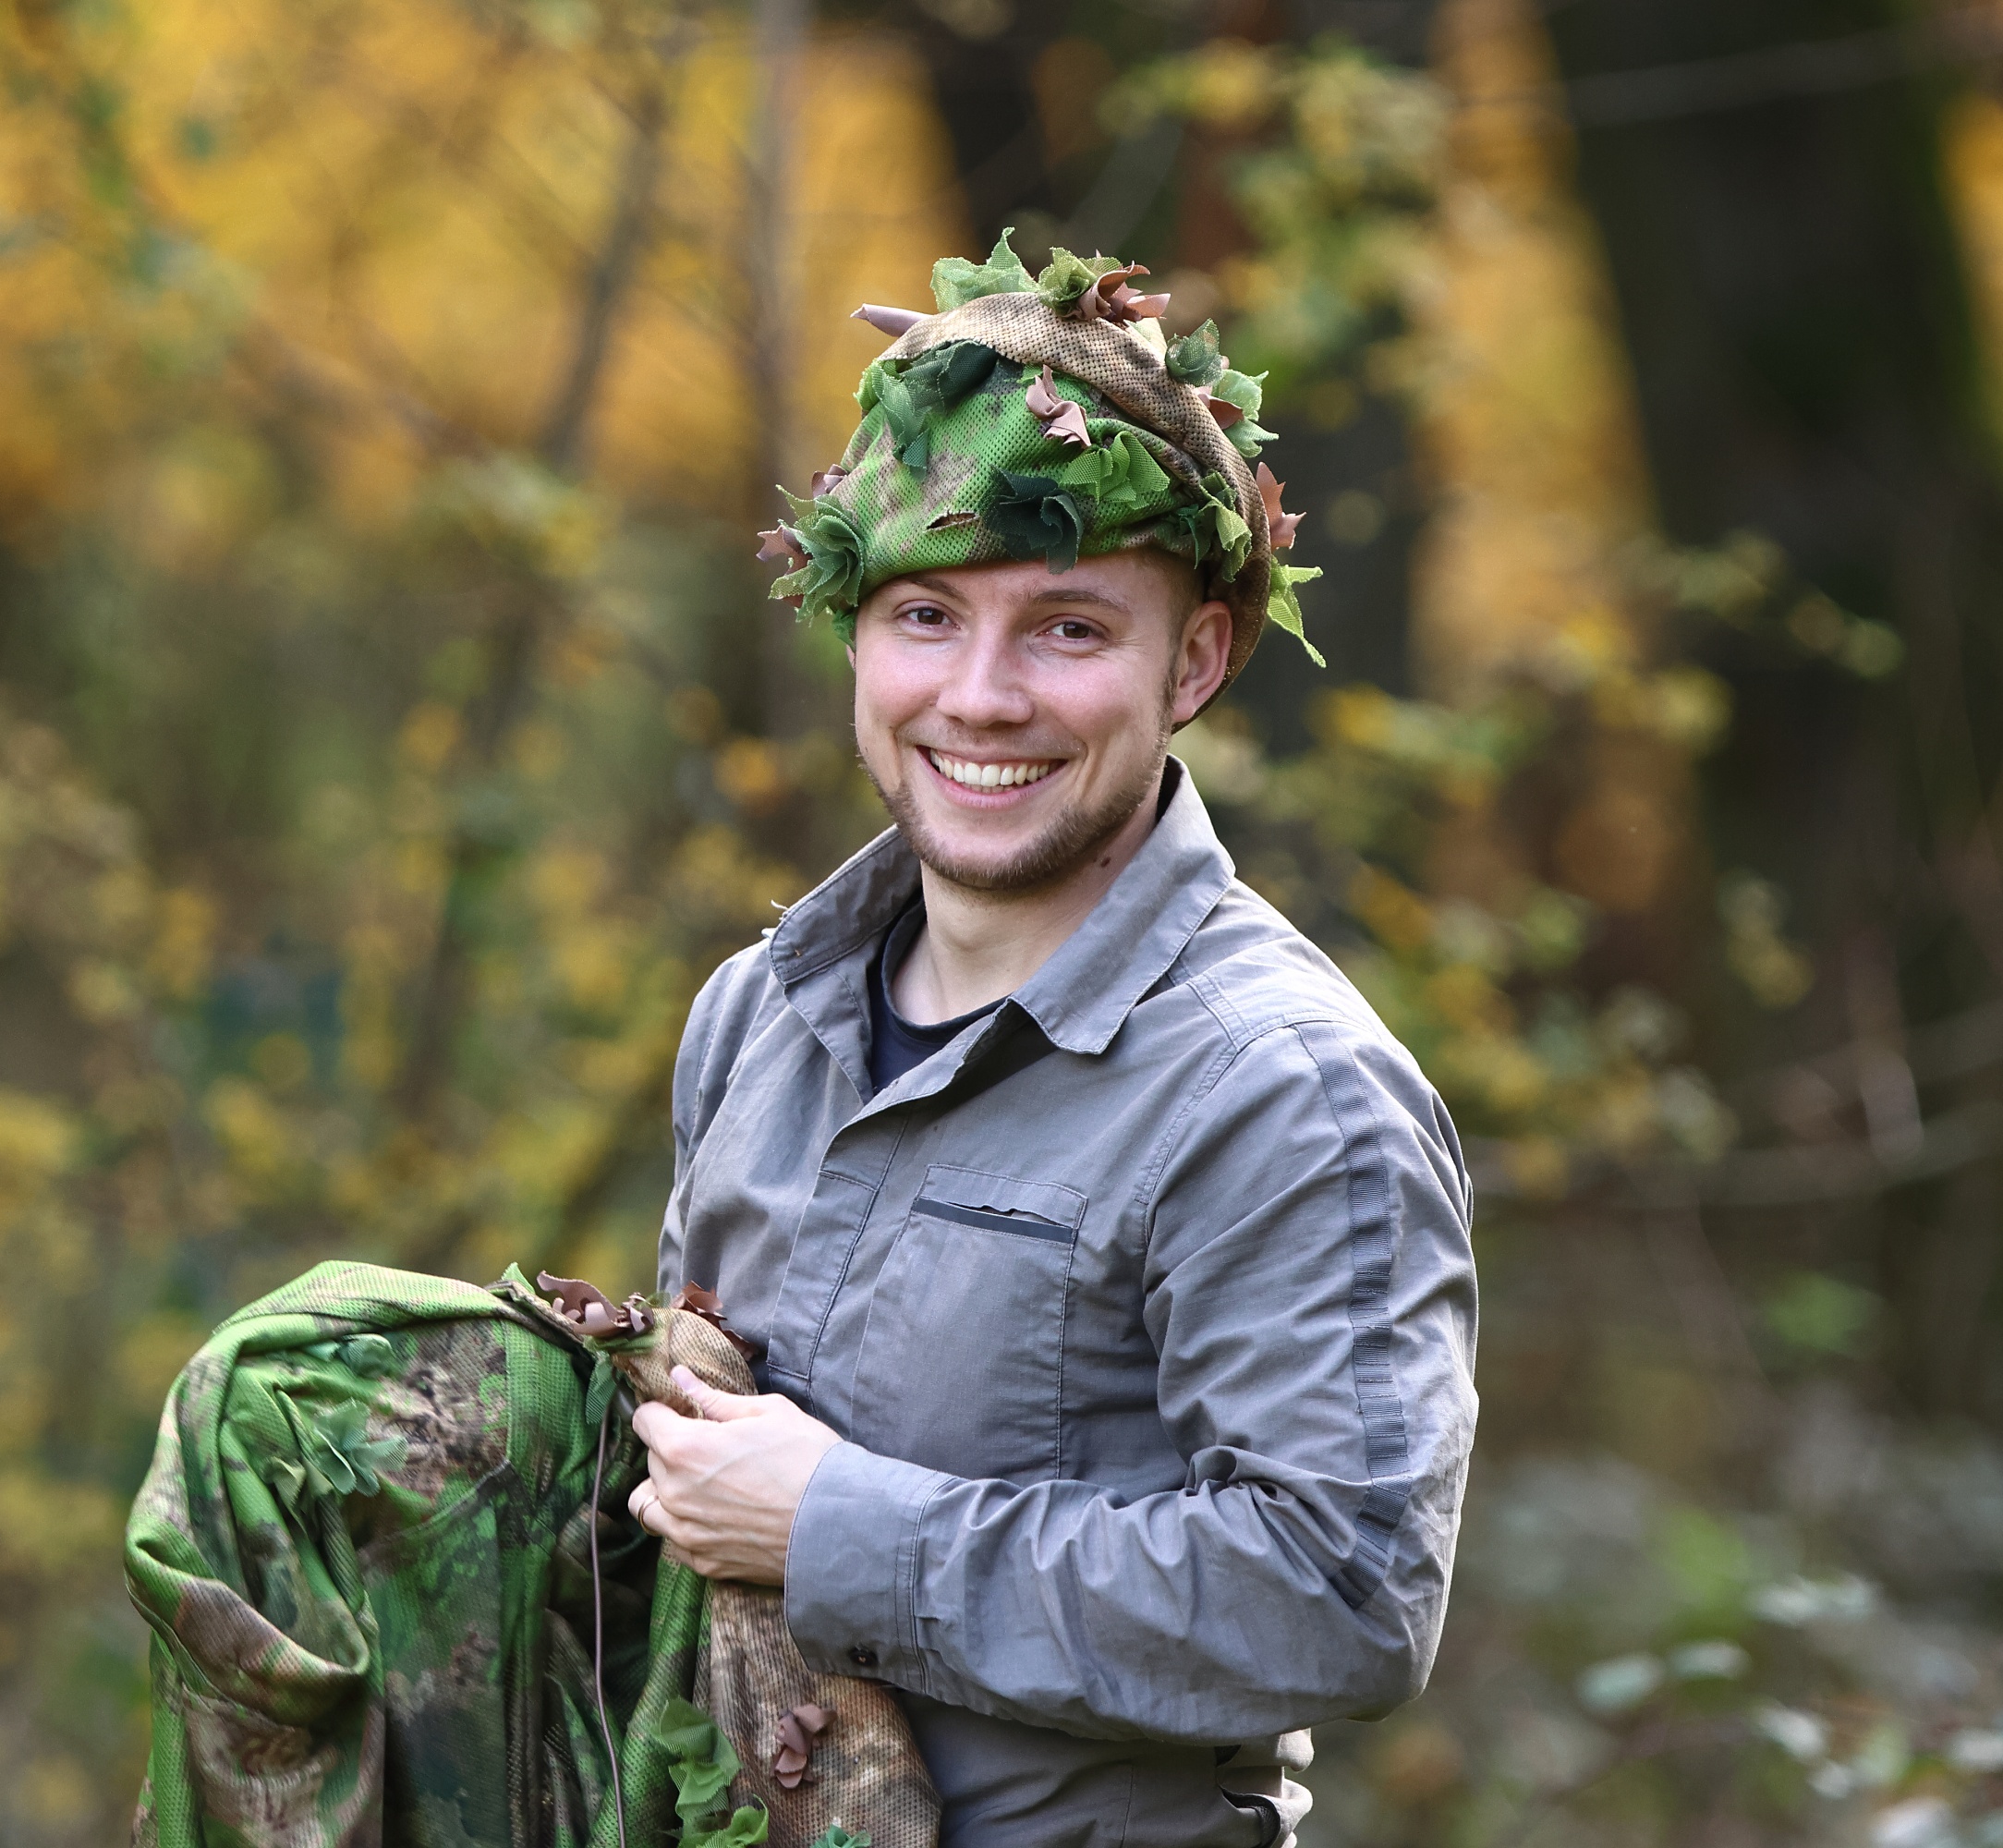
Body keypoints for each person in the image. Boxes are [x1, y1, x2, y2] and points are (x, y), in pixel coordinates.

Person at [625, 238, 1479, 1846]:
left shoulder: (1283, 1094)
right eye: (927, 615)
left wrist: (837, 1529)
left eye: (1070, 630)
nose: (983, 695)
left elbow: (1350, 1595)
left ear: (1199, 660)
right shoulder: (760, 1015)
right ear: (856, 639)